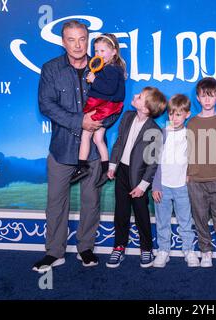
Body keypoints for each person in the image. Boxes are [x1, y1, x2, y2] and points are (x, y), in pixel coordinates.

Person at [33, 20, 120, 272]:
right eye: (71, 39)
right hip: (61, 148)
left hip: (92, 151)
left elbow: (117, 102)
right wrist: (80, 121)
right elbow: (46, 105)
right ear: (63, 42)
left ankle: (86, 249)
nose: (78, 45)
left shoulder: (103, 67)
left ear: (88, 39)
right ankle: (54, 253)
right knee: (56, 203)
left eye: (82, 38)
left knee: (91, 201)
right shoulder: (51, 69)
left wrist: (98, 121)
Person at [105, 87, 166, 268]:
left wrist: (143, 185)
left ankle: (146, 248)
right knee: (121, 213)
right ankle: (119, 247)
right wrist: (112, 165)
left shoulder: (154, 130)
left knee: (141, 215)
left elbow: (153, 162)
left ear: (146, 108)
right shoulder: (127, 117)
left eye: (139, 97)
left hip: (139, 178)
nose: (135, 96)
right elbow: (119, 143)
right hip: (122, 173)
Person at [187, 77, 216, 270]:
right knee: (199, 218)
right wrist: (188, 174)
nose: (207, 99)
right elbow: (187, 151)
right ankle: (205, 252)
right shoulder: (191, 123)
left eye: (211, 95)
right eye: (203, 96)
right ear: (198, 98)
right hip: (196, 180)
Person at [70, 33, 126, 188]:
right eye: (96, 51)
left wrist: (95, 80)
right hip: (105, 107)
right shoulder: (107, 69)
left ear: (114, 51)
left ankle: (82, 166)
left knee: (86, 134)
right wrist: (95, 79)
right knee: (97, 138)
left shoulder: (112, 69)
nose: (98, 54)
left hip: (104, 107)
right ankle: (105, 169)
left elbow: (109, 89)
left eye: (102, 51)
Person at [151, 94, 200, 268]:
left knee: (185, 221)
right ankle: (163, 250)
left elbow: (194, 159)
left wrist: (190, 177)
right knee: (162, 221)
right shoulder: (162, 133)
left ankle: (189, 250)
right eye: (171, 114)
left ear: (187, 114)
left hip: (182, 187)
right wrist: (155, 185)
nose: (174, 118)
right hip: (163, 186)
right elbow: (155, 162)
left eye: (179, 114)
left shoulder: (190, 134)